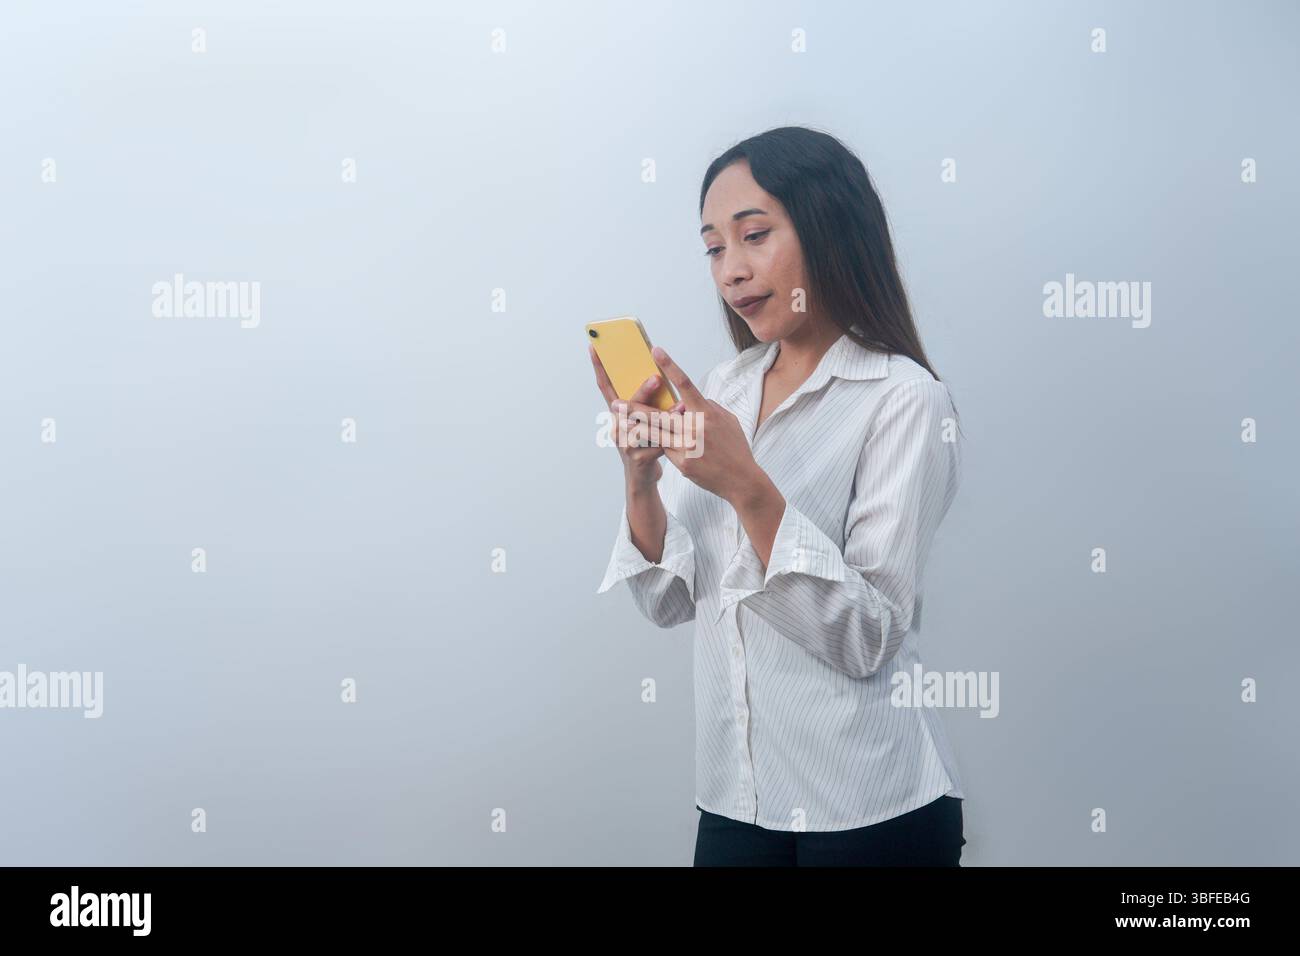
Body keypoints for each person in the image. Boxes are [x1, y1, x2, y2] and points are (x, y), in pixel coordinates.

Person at [591, 126, 967, 866]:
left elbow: (866, 638)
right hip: (734, 800)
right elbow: (669, 604)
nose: (731, 270)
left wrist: (748, 488)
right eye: (713, 247)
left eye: (753, 235)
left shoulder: (904, 401)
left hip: (870, 810)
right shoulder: (724, 391)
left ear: (830, 230)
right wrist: (640, 479)